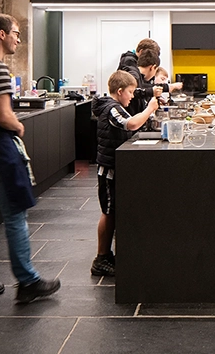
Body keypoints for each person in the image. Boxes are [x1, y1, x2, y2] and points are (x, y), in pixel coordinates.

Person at [0, 14, 60, 305]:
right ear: (2, 34)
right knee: (15, 216)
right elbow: (3, 116)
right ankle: (28, 281)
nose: (19, 38)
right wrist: (17, 126)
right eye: (16, 33)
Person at [91, 69, 160, 277]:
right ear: (120, 91)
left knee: (112, 211)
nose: (132, 96)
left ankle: (107, 254)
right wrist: (149, 109)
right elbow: (131, 124)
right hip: (109, 169)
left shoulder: (116, 106)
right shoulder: (112, 108)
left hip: (114, 166)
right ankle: (101, 258)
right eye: (130, 92)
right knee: (108, 212)